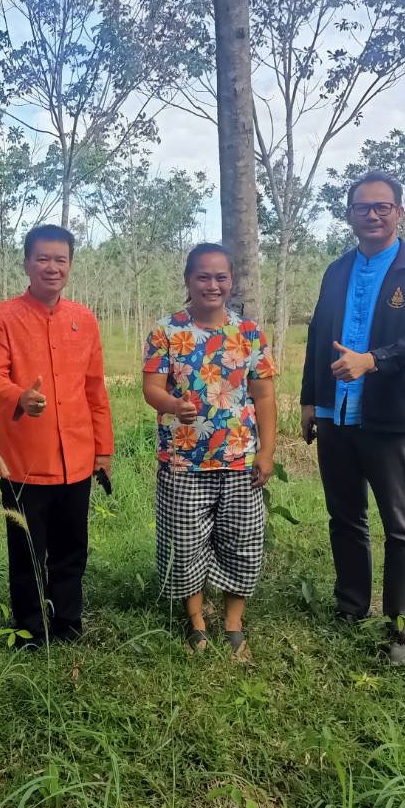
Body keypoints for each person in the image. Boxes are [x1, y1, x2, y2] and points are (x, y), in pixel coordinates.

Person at [300, 170, 405, 667]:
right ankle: (350, 606)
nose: (373, 215)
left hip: (389, 420)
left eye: (383, 207)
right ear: (350, 216)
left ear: (399, 213)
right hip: (337, 416)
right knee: (345, 517)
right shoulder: (337, 271)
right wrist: (308, 400)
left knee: (400, 526)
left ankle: (403, 625)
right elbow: (319, 336)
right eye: (363, 207)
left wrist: (372, 360)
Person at [142, 243, 278, 661]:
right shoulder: (166, 332)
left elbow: (265, 397)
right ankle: (197, 622)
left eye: (220, 277)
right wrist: (172, 405)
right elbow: (151, 388)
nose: (212, 285)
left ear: (231, 281)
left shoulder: (249, 333)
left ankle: (234, 623)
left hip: (239, 460)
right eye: (203, 276)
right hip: (184, 461)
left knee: (243, 541)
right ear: (188, 280)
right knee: (185, 544)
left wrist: (267, 451)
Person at [0, 224, 113, 647]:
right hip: (24, 459)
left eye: (60, 259)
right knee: (27, 552)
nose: (51, 267)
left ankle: (68, 624)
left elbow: (95, 389)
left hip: (76, 457)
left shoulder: (84, 319)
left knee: (72, 549)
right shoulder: (3, 316)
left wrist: (103, 451)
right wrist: (21, 397)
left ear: (70, 265)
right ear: (26, 263)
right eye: (43, 258)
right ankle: (30, 631)